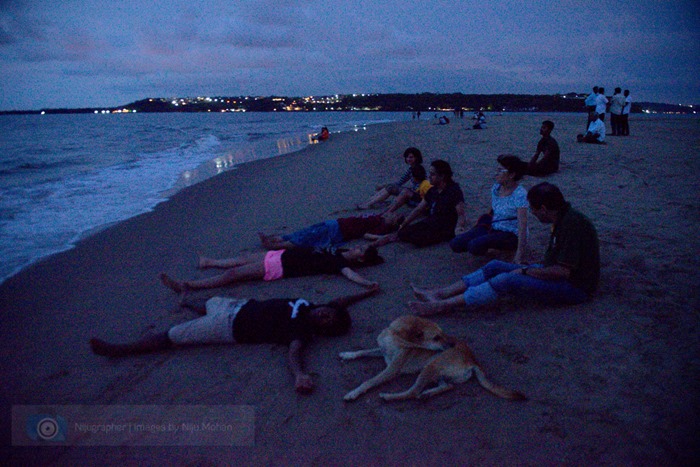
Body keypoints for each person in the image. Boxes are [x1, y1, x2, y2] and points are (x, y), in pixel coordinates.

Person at [90, 286, 379, 394]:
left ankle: (119, 350)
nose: (324, 314)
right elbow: (341, 301)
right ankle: (186, 299)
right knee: (208, 301)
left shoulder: (303, 329)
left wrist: (300, 375)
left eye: (328, 320)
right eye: (328, 312)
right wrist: (368, 291)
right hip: (237, 305)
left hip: (226, 327)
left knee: (174, 335)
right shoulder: (312, 305)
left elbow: (294, 353)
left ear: (325, 330)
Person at [409, 182, 599, 315]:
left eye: (532, 209)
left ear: (543, 208)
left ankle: (443, 305)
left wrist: (526, 270)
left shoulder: (571, 225)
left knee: (507, 279)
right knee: (494, 266)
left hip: (575, 287)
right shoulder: (562, 218)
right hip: (554, 273)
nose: (531, 213)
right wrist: (530, 269)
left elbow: (563, 272)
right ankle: (441, 293)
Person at [160, 245, 383, 293]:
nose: (357, 247)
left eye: (360, 250)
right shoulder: (340, 251)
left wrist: (367, 284)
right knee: (242, 258)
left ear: (360, 259)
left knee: (233, 275)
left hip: (281, 267)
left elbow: (350, 275)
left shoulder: (340, 263)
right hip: (280, 255)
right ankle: (208, 262)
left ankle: (186, 286)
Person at [368, 160, 467, 248]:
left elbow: (461, 214)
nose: (429, 177)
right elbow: (418, 209)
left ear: (442, 176)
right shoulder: (432, 190)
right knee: (406, 231)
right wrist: (403, 224)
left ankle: (388, 237)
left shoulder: (454, 191)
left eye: (432, 174)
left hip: (446, 226)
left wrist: (458, 229)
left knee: (418, 239)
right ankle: (387, 237)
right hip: (432, 221)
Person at [450, 155, 528, 264]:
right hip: (493, 226)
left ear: (512, 174)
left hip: (510, 233)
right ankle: (492, 248)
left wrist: (520, 253)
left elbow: (522, 225)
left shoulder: (520, 194)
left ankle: (502, 251)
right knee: (456, 243)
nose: (497, 173)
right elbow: (493, 210)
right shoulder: (496, 188)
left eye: (501, 170)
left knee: (474, 246)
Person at [258, 212, 403, 250]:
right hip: (335, 224)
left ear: (392, 223)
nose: (391, 214)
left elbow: (367, 235)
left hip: (337, 232)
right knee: (305, 232)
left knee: (307, 239)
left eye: (394, 217)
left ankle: (275, 246)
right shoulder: (379, 217)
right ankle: (280, 239)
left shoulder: (381, 226)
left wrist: (389, 236)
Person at [358, 147, 424, 210]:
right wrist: (384, 186)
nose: (408, 159)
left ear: (416, 158)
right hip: (413, 193)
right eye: (407, 157)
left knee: (391, 188)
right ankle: (368, 202)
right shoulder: (411, 169)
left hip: (416, 196)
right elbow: (400, 182)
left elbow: (420, 186)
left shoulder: (418, 169)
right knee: (390, 187)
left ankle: (369, 203)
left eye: (411, 157)